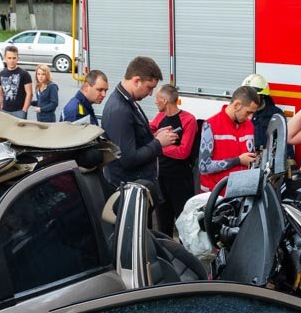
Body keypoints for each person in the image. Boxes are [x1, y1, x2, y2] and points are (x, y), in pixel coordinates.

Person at [103, 56, 178, 189]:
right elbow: (128, 159)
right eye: (149, 87)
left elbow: (132, 141)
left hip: (138, 184)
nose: (150, 94)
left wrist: (153, 136)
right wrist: (158, 143)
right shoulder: (120, 110)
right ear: (137, 81)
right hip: (130, 188)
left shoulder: (128, 102)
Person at [150, 84, 197, 235]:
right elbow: (147, 133)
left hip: (180, 180)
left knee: (184, 224)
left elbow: (183, 152)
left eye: (157, 98)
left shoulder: (188, 119)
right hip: (160, 178)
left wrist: (158, 146)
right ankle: (165, 249)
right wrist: (156, 140)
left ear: (164, 100)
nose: (155, 101)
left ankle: (184, 250)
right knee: (163, 225)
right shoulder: (159, 117)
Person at [198, 85, 260, 192]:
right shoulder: (211, 125)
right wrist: (238, 160)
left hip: (240, 193)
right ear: (237, 105)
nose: (250, 117)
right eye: (248, 112)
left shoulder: (249, 125)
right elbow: (204, 167)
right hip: (216, 195)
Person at [241, 73, 287, 156]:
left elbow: (284, 141)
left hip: (265, 160)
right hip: (243, 158)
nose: (249, 99)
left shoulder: (275, 114)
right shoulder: (240, 113)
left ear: (262, 96)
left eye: (254, 96)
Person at [0, 47, 32, 118]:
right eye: (9, 58)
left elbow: (29, 93)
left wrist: (24, 110)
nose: (11, 60)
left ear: (18, 58)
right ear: (5, 58)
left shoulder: (24, 74)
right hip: (4, 110)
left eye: (14, 58)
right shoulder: (1, 74)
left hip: (19, 111)